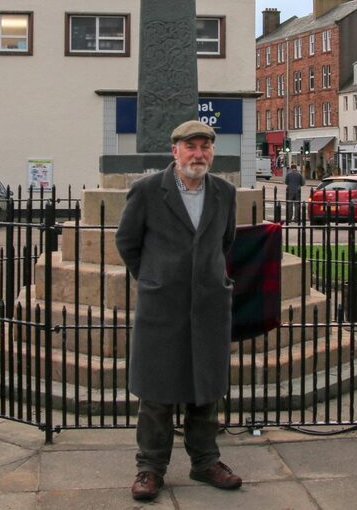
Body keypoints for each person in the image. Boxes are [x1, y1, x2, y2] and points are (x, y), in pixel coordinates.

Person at [115, 120, 242, 501]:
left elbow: (225, 242)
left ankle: (206, 462)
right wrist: (153, 278)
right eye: (191, 147)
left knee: (206, 390)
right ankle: (150, 468)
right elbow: (127, 242)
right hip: (162, 307)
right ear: (175, 151)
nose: (199, 154)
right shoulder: (148, 191)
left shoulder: (225, 192)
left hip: (208, 306)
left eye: (205, 147)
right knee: (156, 393)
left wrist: (210, 279)